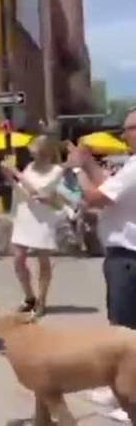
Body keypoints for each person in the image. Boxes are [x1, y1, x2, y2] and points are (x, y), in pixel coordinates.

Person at [68, 111, 136, 421]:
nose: (125, 135)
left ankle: (130, 399)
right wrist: (89, 163)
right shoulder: (131, 166)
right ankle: (117, 389)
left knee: (125, 330)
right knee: (122, 325)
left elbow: (96, 198)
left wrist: (79, 170)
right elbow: (110, 185)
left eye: (129, 129)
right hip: (124, 255)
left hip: (128, 256)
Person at [1, 136, 64, 316]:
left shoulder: (56, 170)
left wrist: (16, 172)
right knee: (18, 258)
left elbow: (38, 191)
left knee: (43, 261)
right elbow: (23, 189)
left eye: (35, 153)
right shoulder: (30, 168)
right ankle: (29, 297)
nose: (32, 157)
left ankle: (41, 301)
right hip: (25, 215)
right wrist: (10, 178)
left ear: (45, 153)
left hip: (43, 218)